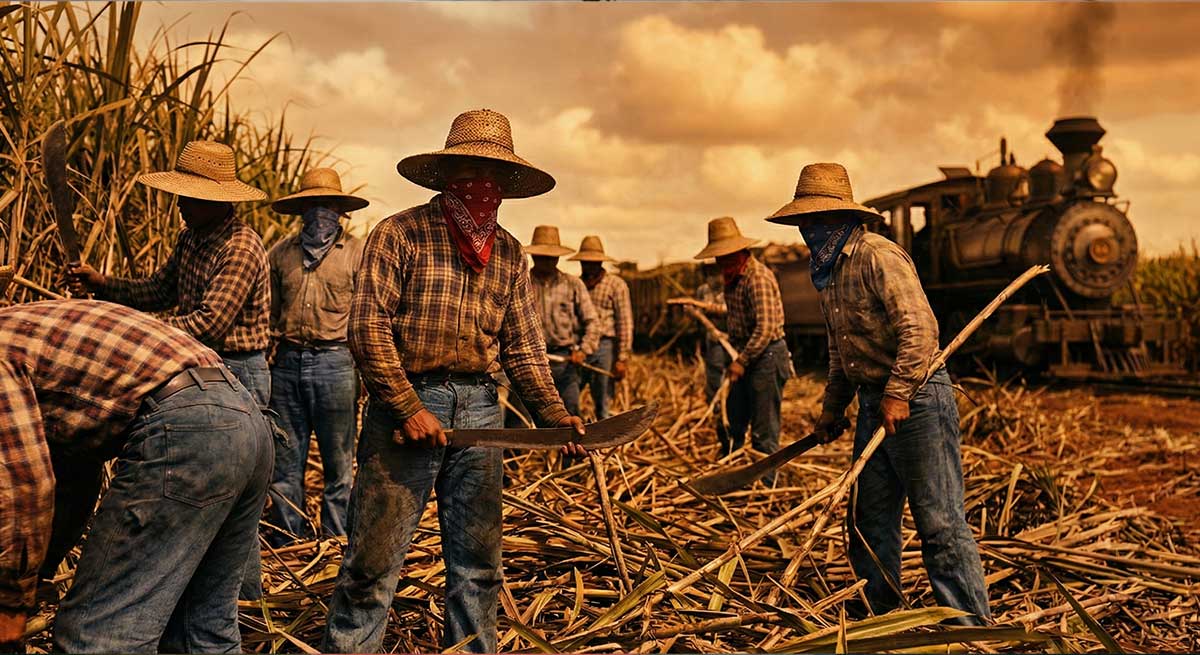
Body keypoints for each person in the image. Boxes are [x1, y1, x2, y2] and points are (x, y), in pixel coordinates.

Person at [321, 109, 586, 654]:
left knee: (478, 565)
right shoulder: (401, 234)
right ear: (447, 175)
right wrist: (405, 405)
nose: (483, 187)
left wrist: (555, 417)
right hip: (411, 406)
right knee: (373, 563)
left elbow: (526, 350)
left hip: (483, 413)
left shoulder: (510, 252)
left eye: (495, 177)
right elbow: (368, 328)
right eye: (472, 172)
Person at [765, 162, 991, 624]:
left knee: (940, 524)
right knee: (869, 521)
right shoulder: (826, 273)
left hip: (919, 401)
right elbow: (840, 349)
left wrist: (899, 393)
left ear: (838, 219)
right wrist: (832, 408)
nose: (807, 230)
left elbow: (920, 330)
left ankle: (972, 627)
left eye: (813, 220)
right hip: (874, 401)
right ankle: (881, 617)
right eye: (803, 221)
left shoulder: (877, 256)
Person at [0, 300, 274, 653]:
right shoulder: (27, 331)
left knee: (96, 638)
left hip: (188, 433)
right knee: (199, 633)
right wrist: (36, 578)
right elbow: (73, 480)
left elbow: (27, 486)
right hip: (245, 417)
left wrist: (9, 602)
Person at [66, 140, 273, 599]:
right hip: (200, 364)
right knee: (213, 489)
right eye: (180, 195)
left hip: (238, 371)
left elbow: (209, 324)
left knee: (233, 488)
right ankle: (219, 594)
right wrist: (104, 287)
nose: (180, 206)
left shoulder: (240, 247)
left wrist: (129, 330)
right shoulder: (192, 238)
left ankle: (245, 600)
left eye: (190, 198)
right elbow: (159, 290)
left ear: (217, 201)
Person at [264, 168, 367, 545]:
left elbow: (367, 317)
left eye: (327, 206)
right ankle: (288, 541)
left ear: (340, 211)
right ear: (301, 210)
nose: (319, 214)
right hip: (288, 362)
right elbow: (269, 316)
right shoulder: (280, 255)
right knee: (285, 461)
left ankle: (335, 541)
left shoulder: (358, 254)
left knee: (339, 462)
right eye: (312, 206)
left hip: (336, 363)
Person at [692, 217, 792, 468]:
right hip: (747, 355)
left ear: (740, 252)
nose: (721, 264)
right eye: (719, 258)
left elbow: (766, 327)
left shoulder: (757, 278)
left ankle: (767, 488)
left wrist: (742, 361)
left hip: (766, 356)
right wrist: (702, 309)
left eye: (726, 257)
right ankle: (732, 468)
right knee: (733, 420)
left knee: (764, 430)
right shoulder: (734, 278)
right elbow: (737, 314)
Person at [525, 225, 601, 417]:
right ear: (533, 256)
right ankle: (518, 449)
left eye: (550, 257)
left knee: (570, 414)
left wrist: (583, 351)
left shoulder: (572, 284)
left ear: (557, 258)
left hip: (565, 361)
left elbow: (592, 322)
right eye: (541, 256)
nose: (546, 262)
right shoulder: (521, 282)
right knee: (519, 419)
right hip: (529, 361)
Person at [569, 235, 632, 419]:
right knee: (570, 396)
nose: (588, 266)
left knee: (603, 400)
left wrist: (622, 358)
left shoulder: (616, 285)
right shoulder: (576, 285)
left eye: (592, 262)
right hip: (579, 346)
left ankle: (603, 442)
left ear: (600, 262)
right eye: (585, 262)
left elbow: (625, 323)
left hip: (605, 347)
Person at [695, 261, 730, 441]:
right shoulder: (703, 291)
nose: (714, 276)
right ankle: (721, 424)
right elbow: (699, 322)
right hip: (713, 343)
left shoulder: (731, 286)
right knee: (715, 384)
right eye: (710, 272)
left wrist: (712, 309)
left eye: (716, 271)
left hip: (732, 342)